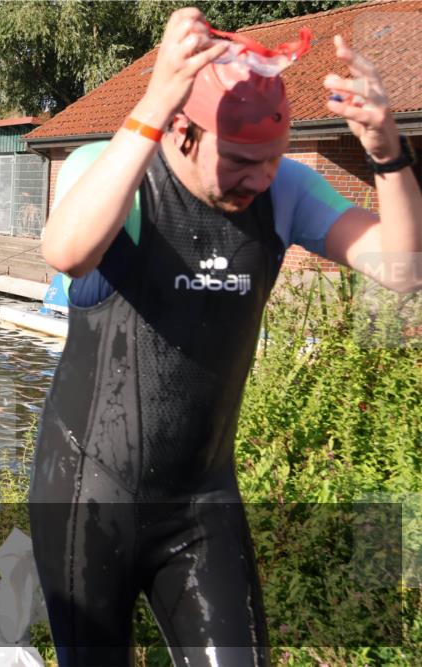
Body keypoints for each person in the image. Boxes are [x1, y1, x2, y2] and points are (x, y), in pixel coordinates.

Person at [29, 7, 420, 667]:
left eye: (271, 160)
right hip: (83, 495)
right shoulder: (114, 169)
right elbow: (65, 251)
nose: (259, 178)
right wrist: (156, 99)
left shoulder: (285, 191)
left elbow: (404, 269)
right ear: (182, 131)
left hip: (200, 501)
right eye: (241, 161)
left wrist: (387, 153)